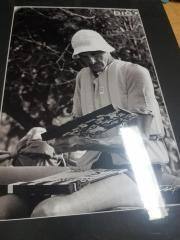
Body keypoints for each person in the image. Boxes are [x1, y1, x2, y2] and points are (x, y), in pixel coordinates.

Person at [31, 29, 173, 218]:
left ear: (107, 48)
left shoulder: (134, 72)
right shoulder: (82, 77)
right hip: (94, 166)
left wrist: (82, 142)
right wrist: (56, 141)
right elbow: (79, 124)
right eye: (83, 57)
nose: (91, 62)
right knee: (18, 201)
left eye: (96, 54)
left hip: (138, 169)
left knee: (47, 211)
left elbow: (139, 141)